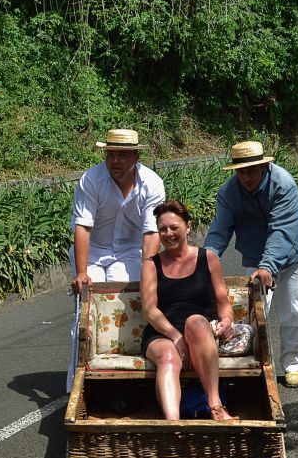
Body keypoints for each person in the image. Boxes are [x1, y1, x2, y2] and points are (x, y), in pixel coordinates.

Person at [204, 141, 298, 388]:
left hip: (294, 258)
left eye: (251, 170)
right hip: (256, 260)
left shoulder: (283, 184)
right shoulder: (229, 193)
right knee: (251, 317)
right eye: (241, 171)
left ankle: (292, 366)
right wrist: (203, 261)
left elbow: (282, 231)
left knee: (295, 315)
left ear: (264, 167)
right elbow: (219, 232)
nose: (246, 177)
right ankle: (254, 368)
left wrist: (268, 266)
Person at [66, 129, 166, 392]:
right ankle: (78, 387)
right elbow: (83, 226)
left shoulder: (152, 183)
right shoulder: (92, 179)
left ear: (136, 156)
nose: (116, 161)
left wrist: (150, 272)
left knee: (130, 309)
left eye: (123, 155)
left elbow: (151, 233)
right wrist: (81, 271)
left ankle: (128, 381)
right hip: (94, 251)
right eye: (111, 154)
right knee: (86, 314)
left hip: (130, 252)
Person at [141, 200, 236, 421]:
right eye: (162, 229)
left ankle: (215, 405)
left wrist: (227, 320)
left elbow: (222, 300)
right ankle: (173, 423)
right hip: (162, 332)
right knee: (167, 356)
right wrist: (175, 337)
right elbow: (149, 310)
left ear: (188, 226)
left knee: (195, 321)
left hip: (199, 329)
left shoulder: (208, 258)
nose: (168, 234)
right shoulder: (151, 265)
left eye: (174, 227)